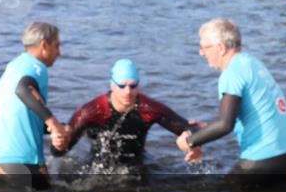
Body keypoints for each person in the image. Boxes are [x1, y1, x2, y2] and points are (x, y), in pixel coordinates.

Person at [178, 18, 286, 181]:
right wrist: (206, 128)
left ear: (220, 48)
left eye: (204, 47)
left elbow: (224, 125)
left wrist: (191, 141)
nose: (201, 52)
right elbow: (247, 113)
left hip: (263, 159)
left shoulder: (231, 73)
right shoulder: (252, 62)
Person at [51, 59, 200, 166]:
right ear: (112, 85)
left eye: (133, 85)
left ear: (138, 86)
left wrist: (192, 140)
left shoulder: (149, 108)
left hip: (137, 165)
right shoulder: (91, 111)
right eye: (122, 86)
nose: (128, 92)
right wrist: (58, 144)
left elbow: (187, 128)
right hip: (98, 168)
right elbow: (60, 152)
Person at [0, 22, 69, 188]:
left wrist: (56, 129)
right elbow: (23, 90)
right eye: (57, 46)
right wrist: (55, 125)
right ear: (44, 45)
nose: (59, 52)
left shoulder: (14, 66)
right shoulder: (37, 67)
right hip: (22, 163)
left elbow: (24, 114)